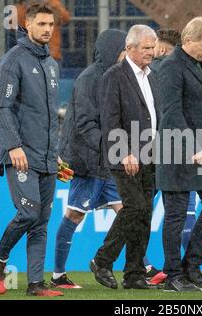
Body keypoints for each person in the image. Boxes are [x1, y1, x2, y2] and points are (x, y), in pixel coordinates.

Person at [0, 3, 63, 297]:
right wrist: (13, 146)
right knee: (29, 214)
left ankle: (35, 284)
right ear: (27, 25)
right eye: (41, 24)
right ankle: (0, 258)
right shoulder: (12, 60)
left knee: (41, 222)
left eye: (51, 25)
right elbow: (0, 107)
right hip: (20, 154)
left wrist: (54, 152)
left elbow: (47, 116)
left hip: (45, 156)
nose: (47, 29)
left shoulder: (52, 64)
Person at [50, 29, 129, 289]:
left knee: (128, 213)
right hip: (87, 160)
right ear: (112, 51)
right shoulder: (88, 79)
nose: (126, 55)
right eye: (123, 50)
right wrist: (113, 147)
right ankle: (58, 275)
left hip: (106, 160)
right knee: (74, 215)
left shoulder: (116, 76)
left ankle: (143, 267)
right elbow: (84, 124)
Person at [156, 17, 202, 292]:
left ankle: (191, 267)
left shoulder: (198, 64)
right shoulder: (171, 67)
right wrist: (193, 147)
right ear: (188, 41)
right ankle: (173, 274)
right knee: (175, 214)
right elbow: (171, 112)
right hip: (178, 148)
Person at [93, 24, 160, 290]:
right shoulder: (114, 76)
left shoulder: (151, 77)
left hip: (150, 155)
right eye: (146, 48)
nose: (151, 53)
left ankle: (134, 274)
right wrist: (125, 153)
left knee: (144, 213)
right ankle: (102, 260)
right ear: (129, 48)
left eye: (153, 48)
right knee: (134, 207)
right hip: (127, 156)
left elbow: (155, 116)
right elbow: (109, 119)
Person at [151, 28, 198, 254]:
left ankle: (141, 266)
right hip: (180, 146)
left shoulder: (147, 73)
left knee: (140, 211)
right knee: (184, 210)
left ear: (160, 48)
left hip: (148, 149)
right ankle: (187, 268)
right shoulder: (184, 72)